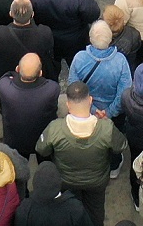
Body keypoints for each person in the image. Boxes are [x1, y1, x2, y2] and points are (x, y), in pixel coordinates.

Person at [37, 82, 126, 226]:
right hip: (97, 182)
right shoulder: (106, 128)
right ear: (90, 100)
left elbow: (42, 149)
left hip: (67, 181)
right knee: (96, 213)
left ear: (68, 104)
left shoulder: (55, 128)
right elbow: (121, 145)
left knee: (71, 213)